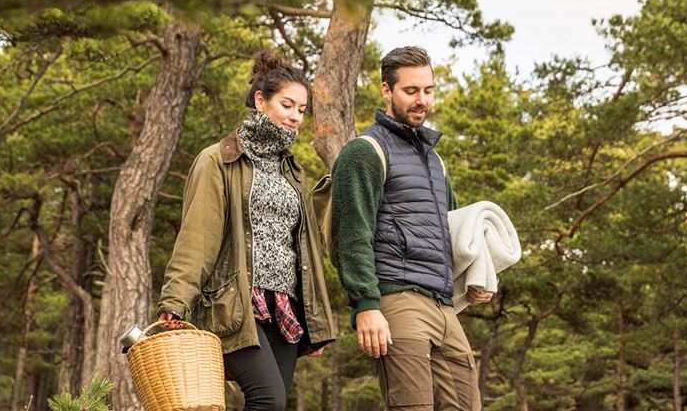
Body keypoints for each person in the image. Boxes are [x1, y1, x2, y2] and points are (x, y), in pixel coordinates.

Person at [157, 50, 337, 411]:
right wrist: (176, 301)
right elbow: (198, 236)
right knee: (267, 399)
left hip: (284, 306)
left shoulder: (294, 172)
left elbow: (306, 247)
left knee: (276, 401)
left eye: (302, 110)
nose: (295, 117)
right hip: (234, 303)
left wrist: (313, 319)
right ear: (260, 100)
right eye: (288, 104)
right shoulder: (219, 159)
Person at [330, 46, 492, 411]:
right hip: (397, 300)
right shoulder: (365, 151)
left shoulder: (435, 161)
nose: (422, 101)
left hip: (444, 304)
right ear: (387, 91)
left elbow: (450, 232)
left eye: (429, 90)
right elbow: (351, 233)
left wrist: (474, 276)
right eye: (411, 91)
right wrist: (366, 306)